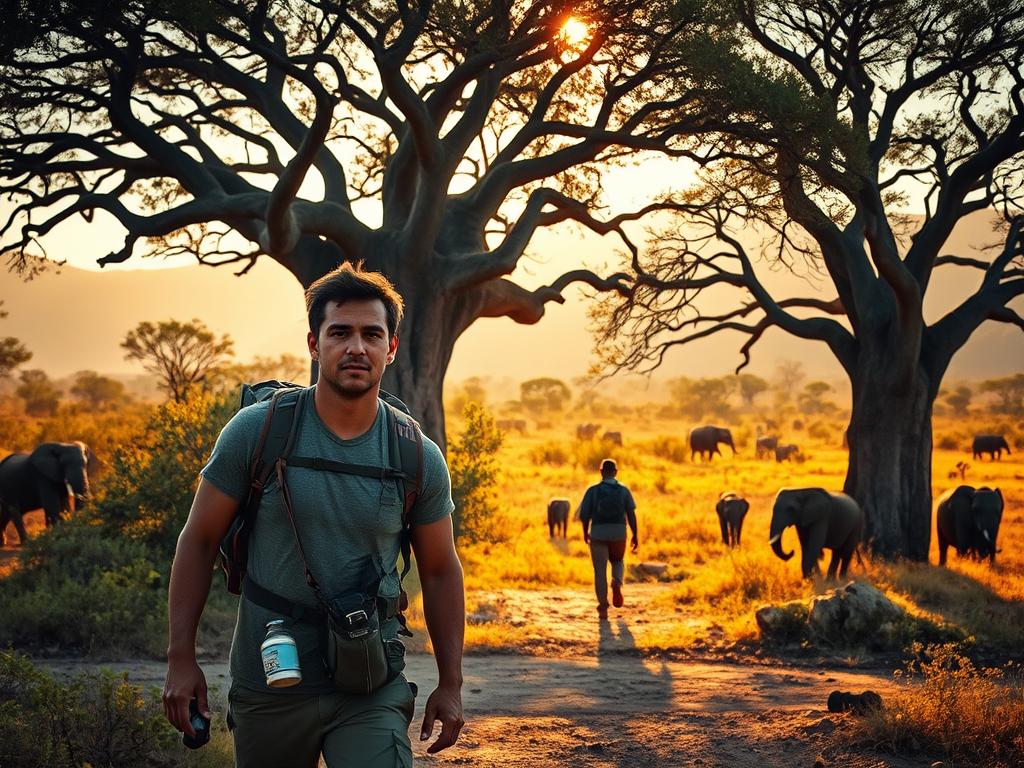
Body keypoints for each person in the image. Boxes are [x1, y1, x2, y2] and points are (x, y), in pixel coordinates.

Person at [162, 263, 465, 767]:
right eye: (339, 332)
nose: (356, 348)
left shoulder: (415, 455)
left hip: (369, 678)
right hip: (271, 675)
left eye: (372, 334)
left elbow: (439, 569)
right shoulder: (257, 432)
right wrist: (180, 658)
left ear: (390, 347)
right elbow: (197, 541)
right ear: (313, 342)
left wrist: (452, 684)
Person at [579, 458, 638, 620]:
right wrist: (635, 534)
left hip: (598, 532)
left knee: (599, 570)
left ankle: (603, 606)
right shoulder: (624, 490)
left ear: (601, 472)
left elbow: (584, 516)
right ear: (615, 472)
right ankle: (617, 583)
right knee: (618, 561)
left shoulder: (592, 490)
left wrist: (586, 532)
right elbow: (631, 514)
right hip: (619, 532)